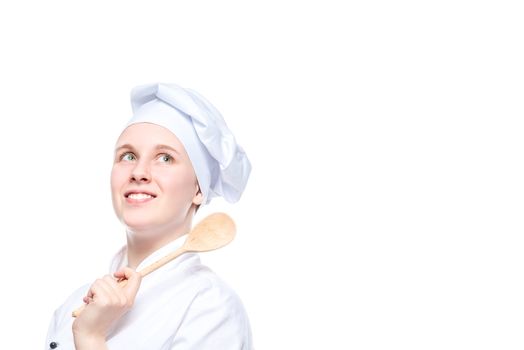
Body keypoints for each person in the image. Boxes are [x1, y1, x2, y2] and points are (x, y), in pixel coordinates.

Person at [45, 83, 253, 349]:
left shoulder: (211, 307)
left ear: (198, 188)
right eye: (128, 156)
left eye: (165, 158)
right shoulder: (71, 308)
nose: (139, 171)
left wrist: (91, 338)